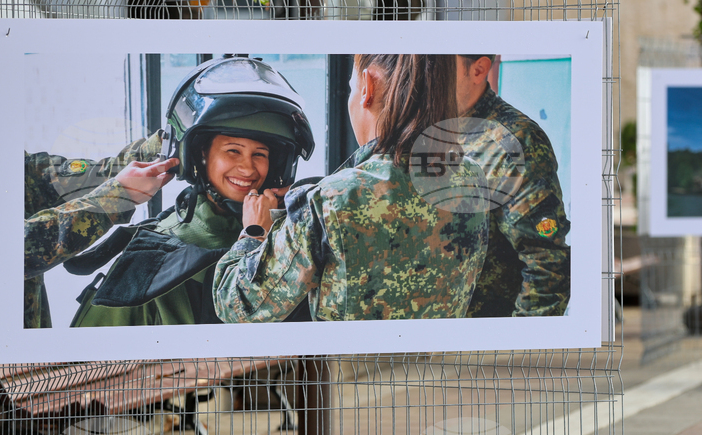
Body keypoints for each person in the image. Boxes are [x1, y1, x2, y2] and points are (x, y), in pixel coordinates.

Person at [213, 54, 489, 323]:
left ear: (367, 87)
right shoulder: (471, 177)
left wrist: (254, 231)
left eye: (350, 88)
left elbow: (236, 306)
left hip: (356, 370)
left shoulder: (332, 201)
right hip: (446, 368)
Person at [68, 55, 315, 327]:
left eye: (260, 154)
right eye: (233, 150)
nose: (248, 168)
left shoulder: (294, 232)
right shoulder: (150, 262)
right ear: (201, 155)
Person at [455, 54, 571, 318]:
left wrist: (517, 350)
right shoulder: (419, 131)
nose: (422, 76)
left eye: (435, 65)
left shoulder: (516, 143)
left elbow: (547, 265)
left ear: (479, 69)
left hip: (483, 347)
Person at [23, 133, 173, 328]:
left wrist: (163, 142)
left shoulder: (9, 166)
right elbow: (10, 251)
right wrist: (116, 195)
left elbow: (99, 175)